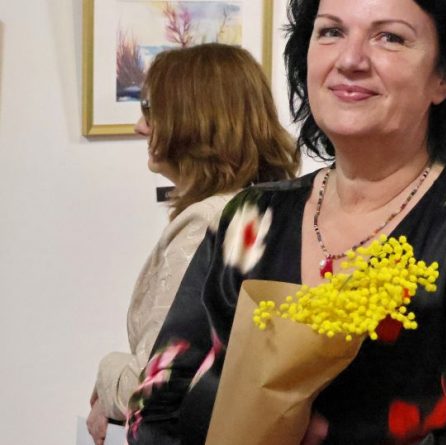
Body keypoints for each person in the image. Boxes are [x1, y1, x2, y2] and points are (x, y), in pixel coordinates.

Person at [127, 0, 446, 443]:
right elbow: (155, 408)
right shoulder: (251, 216)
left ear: (445, 76)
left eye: (390, 37)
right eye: (331, 32)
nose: (351, 59)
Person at [85, 43, 298, 445]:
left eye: (151, 110)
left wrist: (106, 371)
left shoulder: (207, 224)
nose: (140, 127)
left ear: (193, 120)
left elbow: (155, 386)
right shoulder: (267, 211)